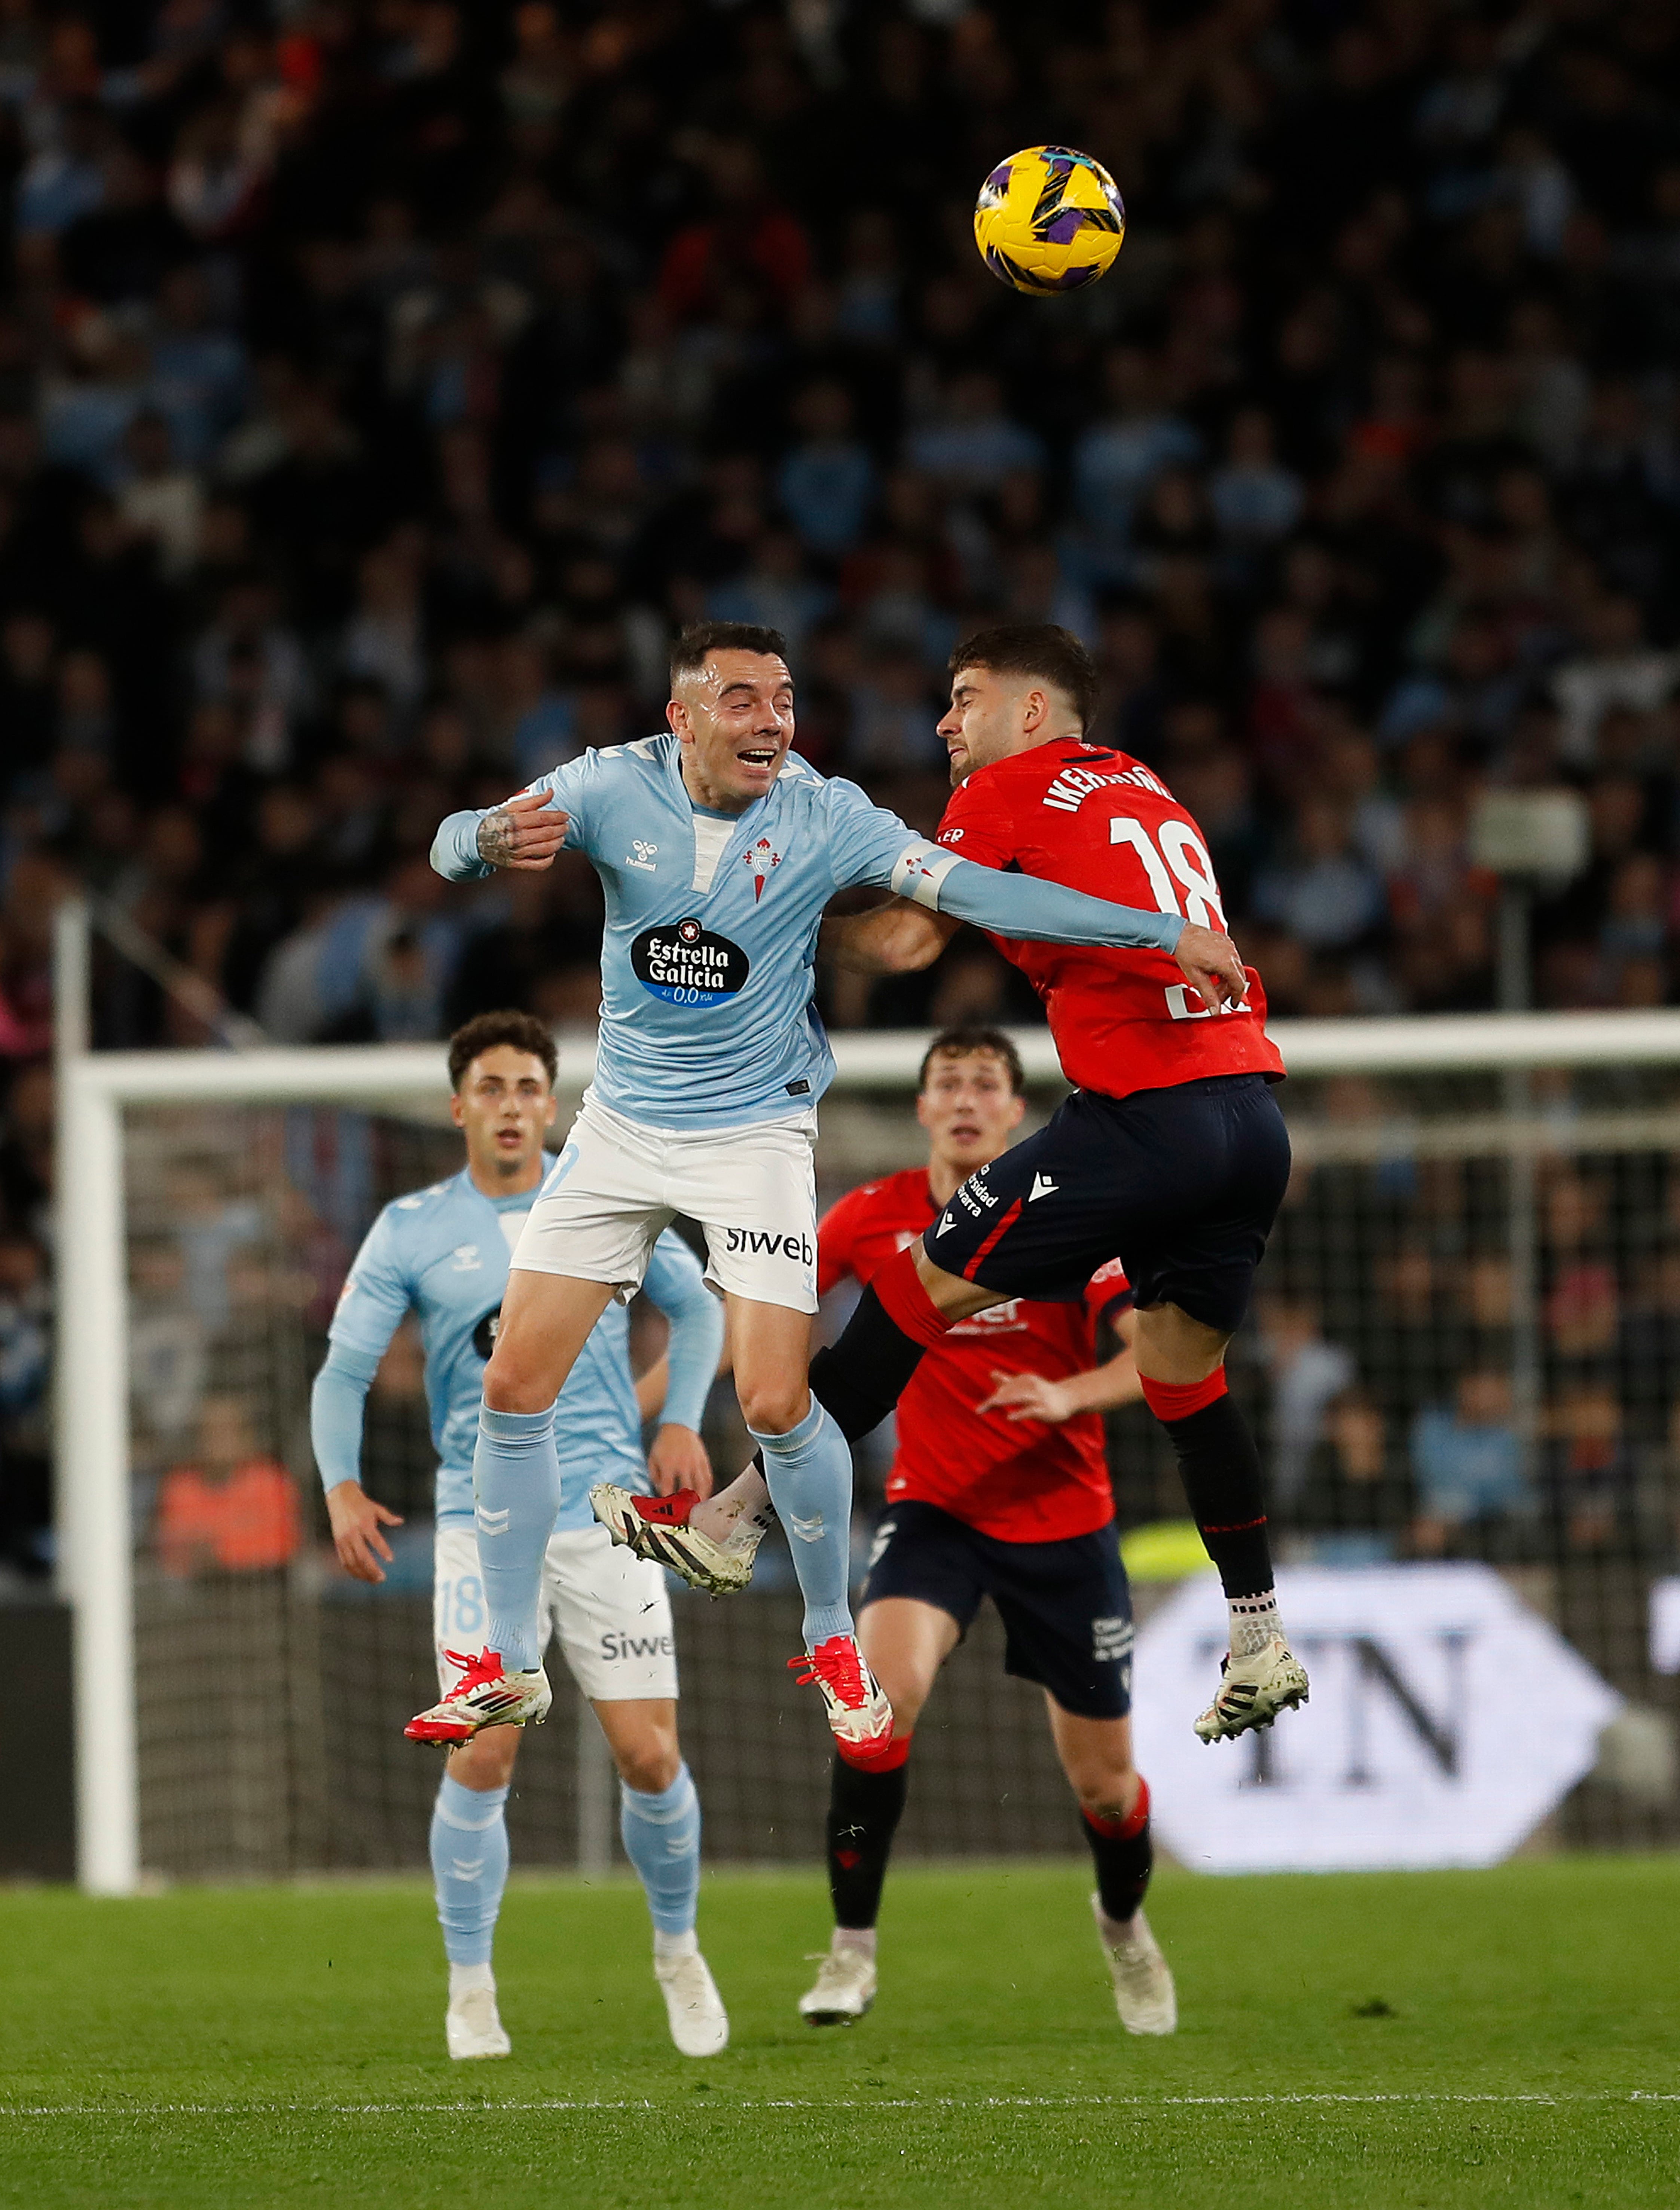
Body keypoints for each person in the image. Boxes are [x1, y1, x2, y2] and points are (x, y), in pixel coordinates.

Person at [410, 622, 1247, 1763]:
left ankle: (826, 1634)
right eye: (743, 701)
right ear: (685, 718)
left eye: (785, 701)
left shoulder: (827, 812)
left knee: (770, 1398)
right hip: (617, 1127)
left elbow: (985, 901)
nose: (770, 721)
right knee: (513, 1380)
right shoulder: (607, 786)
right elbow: (452, 845)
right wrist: (482, 839)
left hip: (753, 1130)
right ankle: (506, 1665)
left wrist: (1157, 933)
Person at [310, 1010, 729, 2064]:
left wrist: (676, 1414)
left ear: (553, 1102)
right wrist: (342, 1485)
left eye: (527, 1087)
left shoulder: (606, 1200)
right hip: (479, 1522)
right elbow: (343, 1372)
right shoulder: (409, 1227)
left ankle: (677, 1951)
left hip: (607, 1518)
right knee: (485, 1750)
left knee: (648, 1751)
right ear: (458, 1107)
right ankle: (470, 1986)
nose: (509, 1105)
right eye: (489, 1087)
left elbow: (703, 1311)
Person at [790, 1026, 1176, 2035]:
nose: (965, 1099)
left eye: (986, 1084)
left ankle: (1124, 1925)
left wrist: (1067, 1392)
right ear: (920, 1107)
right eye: (947, 1082)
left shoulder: (1069, 1222)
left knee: (1105, 1787)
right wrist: (669, 1401)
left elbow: (1155, 1360)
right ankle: (850, 1950)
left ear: (1017, 1111)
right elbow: (770, 1309)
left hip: (1064, 1525)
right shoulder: (870, 1217)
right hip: (935, 1513)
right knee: (876, 1705)